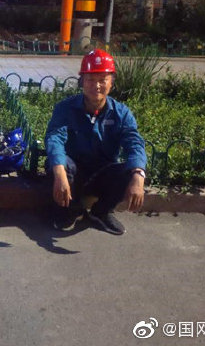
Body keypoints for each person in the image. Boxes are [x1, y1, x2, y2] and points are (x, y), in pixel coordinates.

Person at [45, 49, 147, 235]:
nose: (96, 85)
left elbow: (134, 143)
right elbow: (54, 139)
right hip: (72, 173)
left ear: (111, 82)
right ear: (82, 81)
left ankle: (101, 212)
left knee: (131, 171)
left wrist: (138, 176)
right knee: (59, 164)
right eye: (90, 80)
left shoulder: (121, 113)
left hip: (102, 173)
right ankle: (70, 209)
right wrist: (59, 173)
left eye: (102, 80)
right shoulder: (65, 108)